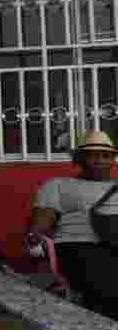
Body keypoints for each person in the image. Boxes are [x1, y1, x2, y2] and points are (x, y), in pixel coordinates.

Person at [26, 130, 118, 320]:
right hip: (77, 244)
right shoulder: (58, 185)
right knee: (106, 283)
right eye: (93, 155)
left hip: (114, 244)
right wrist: (36, 238)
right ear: (80, 159)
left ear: (113, 160)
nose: (100, 160)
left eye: (105, 155)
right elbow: (41, 224)